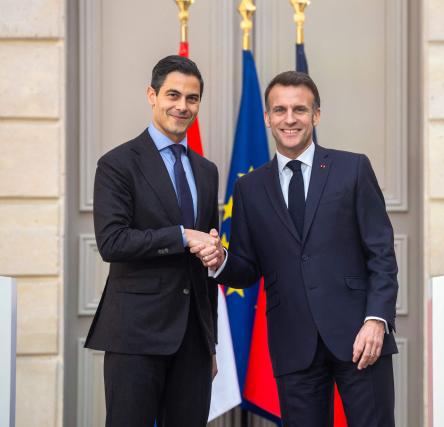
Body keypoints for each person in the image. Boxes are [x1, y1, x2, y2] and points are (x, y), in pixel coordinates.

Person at [194, 71, 398, 426]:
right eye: (280, 110)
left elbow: (381, 253)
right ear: (267, 118)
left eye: (300, 110)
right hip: (293, 344)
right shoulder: (249, 189)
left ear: (316, 115)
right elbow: (247, 268)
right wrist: (221, 260)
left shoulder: (353, 169)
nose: (290, 119)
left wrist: (376, 320)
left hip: (361, 338)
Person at [85, 55, 225, 427]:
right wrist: (181, 236)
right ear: (152, 94)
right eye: (173, 95)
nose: (182, 106)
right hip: (135, 336)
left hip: (193, 342)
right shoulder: (117, 164)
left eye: (192, 98)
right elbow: (112, 242)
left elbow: (204, 264)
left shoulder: (206, 171)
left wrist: (209, 343)